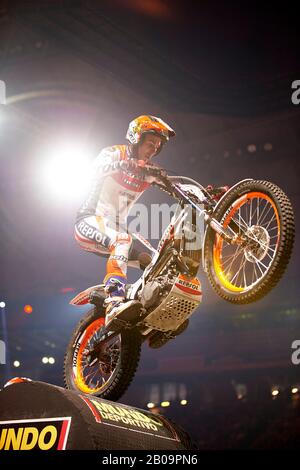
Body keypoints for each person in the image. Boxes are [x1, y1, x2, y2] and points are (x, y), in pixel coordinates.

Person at [74, 115, 175, 326]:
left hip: (116, 228)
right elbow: (92, 172)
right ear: (136, 138)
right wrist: (124, 165)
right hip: (89, 220)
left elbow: (174, 188)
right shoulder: (114, 153)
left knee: (156, 262)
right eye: (150, 143)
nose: (154, 149)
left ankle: (149, 317)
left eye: (158, 146)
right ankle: (114, 299)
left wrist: (202, 196)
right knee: (122, 240)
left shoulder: (148, 170)